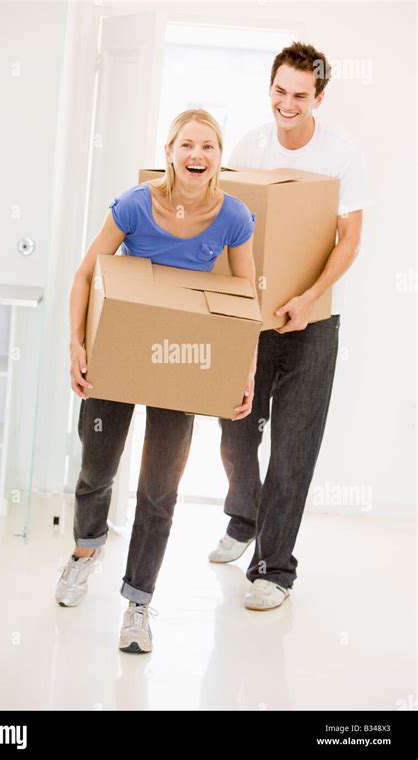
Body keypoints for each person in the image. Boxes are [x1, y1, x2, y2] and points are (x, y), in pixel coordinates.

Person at [55, 109, 258, 653]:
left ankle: (139, 601)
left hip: (182, 363)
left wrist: (245, 372)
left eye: (209, 146)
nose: (198, 155)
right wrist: (76, 343)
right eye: (187, 144)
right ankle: (84, 551)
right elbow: (84, 273)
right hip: (118, 356)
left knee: (160, 488)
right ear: (169, 151)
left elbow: (245, 303)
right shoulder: (135, 204)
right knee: (98, 466)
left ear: (220, 157)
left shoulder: (234, 217)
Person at [209, 42, 364, 611]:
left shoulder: (341, 154)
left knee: (294, 442)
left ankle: (274, 568)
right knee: (236, 425)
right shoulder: (250, 144)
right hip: (255, 315)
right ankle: (243, 515)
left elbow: (349, 237)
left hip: (314, 318)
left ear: (318, 97)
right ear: (270, 87)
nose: (287, 104)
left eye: (300, 95)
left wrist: (309, 297)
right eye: (280, 91)